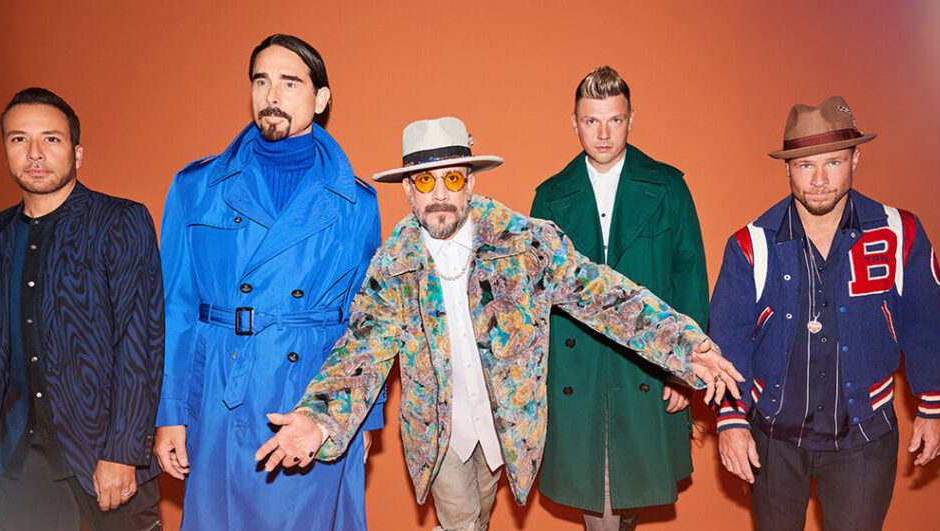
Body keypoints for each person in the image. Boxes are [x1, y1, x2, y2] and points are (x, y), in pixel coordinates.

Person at [253, 116, 742, 531]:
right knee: (461, 522)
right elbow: (361, 349)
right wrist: (319, 417)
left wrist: (683, 345)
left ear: (470, 182)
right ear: (407, 189)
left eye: (452, 179)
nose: (439, 195)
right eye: (424, 181)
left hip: (506, 424)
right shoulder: (393, 266)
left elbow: (604, 295)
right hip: (437, 429)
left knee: (479, 517)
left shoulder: (524, 245)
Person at [152, 34, 383, 530]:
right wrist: (170, 410)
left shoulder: (357, 202)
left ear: (320, 99)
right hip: (221, 388)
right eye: (261, 81)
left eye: (289, 82)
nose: (272, 95)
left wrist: (364, 414)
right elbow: (176, 306)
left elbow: (366, 321)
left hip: (314, 394)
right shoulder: (197, 187)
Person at [711, 96, 940, 530]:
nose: (820, 180)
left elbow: (925, 324)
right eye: (805, 165)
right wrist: (731, 420)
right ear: (787, 169)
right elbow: (729, 340)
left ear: (856, 159)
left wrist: (932, 406)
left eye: (834, 162)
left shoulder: (899, 233)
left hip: (865, 433)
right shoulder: (751, 244)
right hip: (773, 435)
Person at [0, 87, 164, 530]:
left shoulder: (121, 220)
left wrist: (123, 452)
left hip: (104, 449)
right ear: (5, 149)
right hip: (16, 458)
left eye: (50, 139)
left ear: (77, 153)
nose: (34, 153)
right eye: (19, 139)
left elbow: (141, 342)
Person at [531, 65, 708, 530]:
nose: (604, 134)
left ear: (632, 120)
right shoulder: (549, 197)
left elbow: (689, 277)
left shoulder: (668, 187)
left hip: (646, 365)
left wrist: (683, 366)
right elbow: (535, 302)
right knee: (603, 502)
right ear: (574, 123)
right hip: (577, 371)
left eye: (615, 120)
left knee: (624, 501)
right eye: (592, 121)